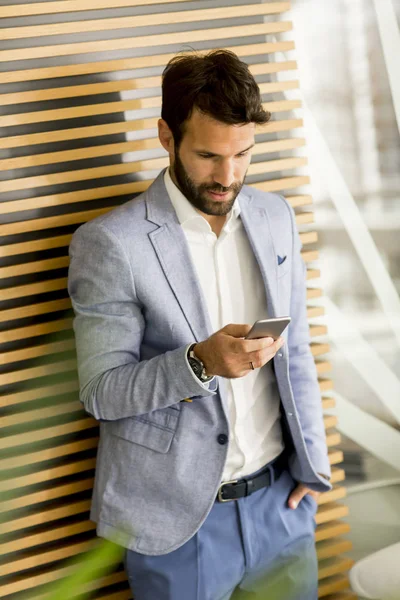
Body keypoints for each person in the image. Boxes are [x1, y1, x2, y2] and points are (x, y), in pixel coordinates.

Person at [68, 49, 332, 600]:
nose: (227, 176)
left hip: (281, 506)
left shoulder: (274, 216)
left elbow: (297, 351)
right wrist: (200, 362)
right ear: (166, 136)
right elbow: (101, 392)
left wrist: (313, 468)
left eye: (243, 154)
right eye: (209, 155)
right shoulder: (112, 244)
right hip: (176, 527)